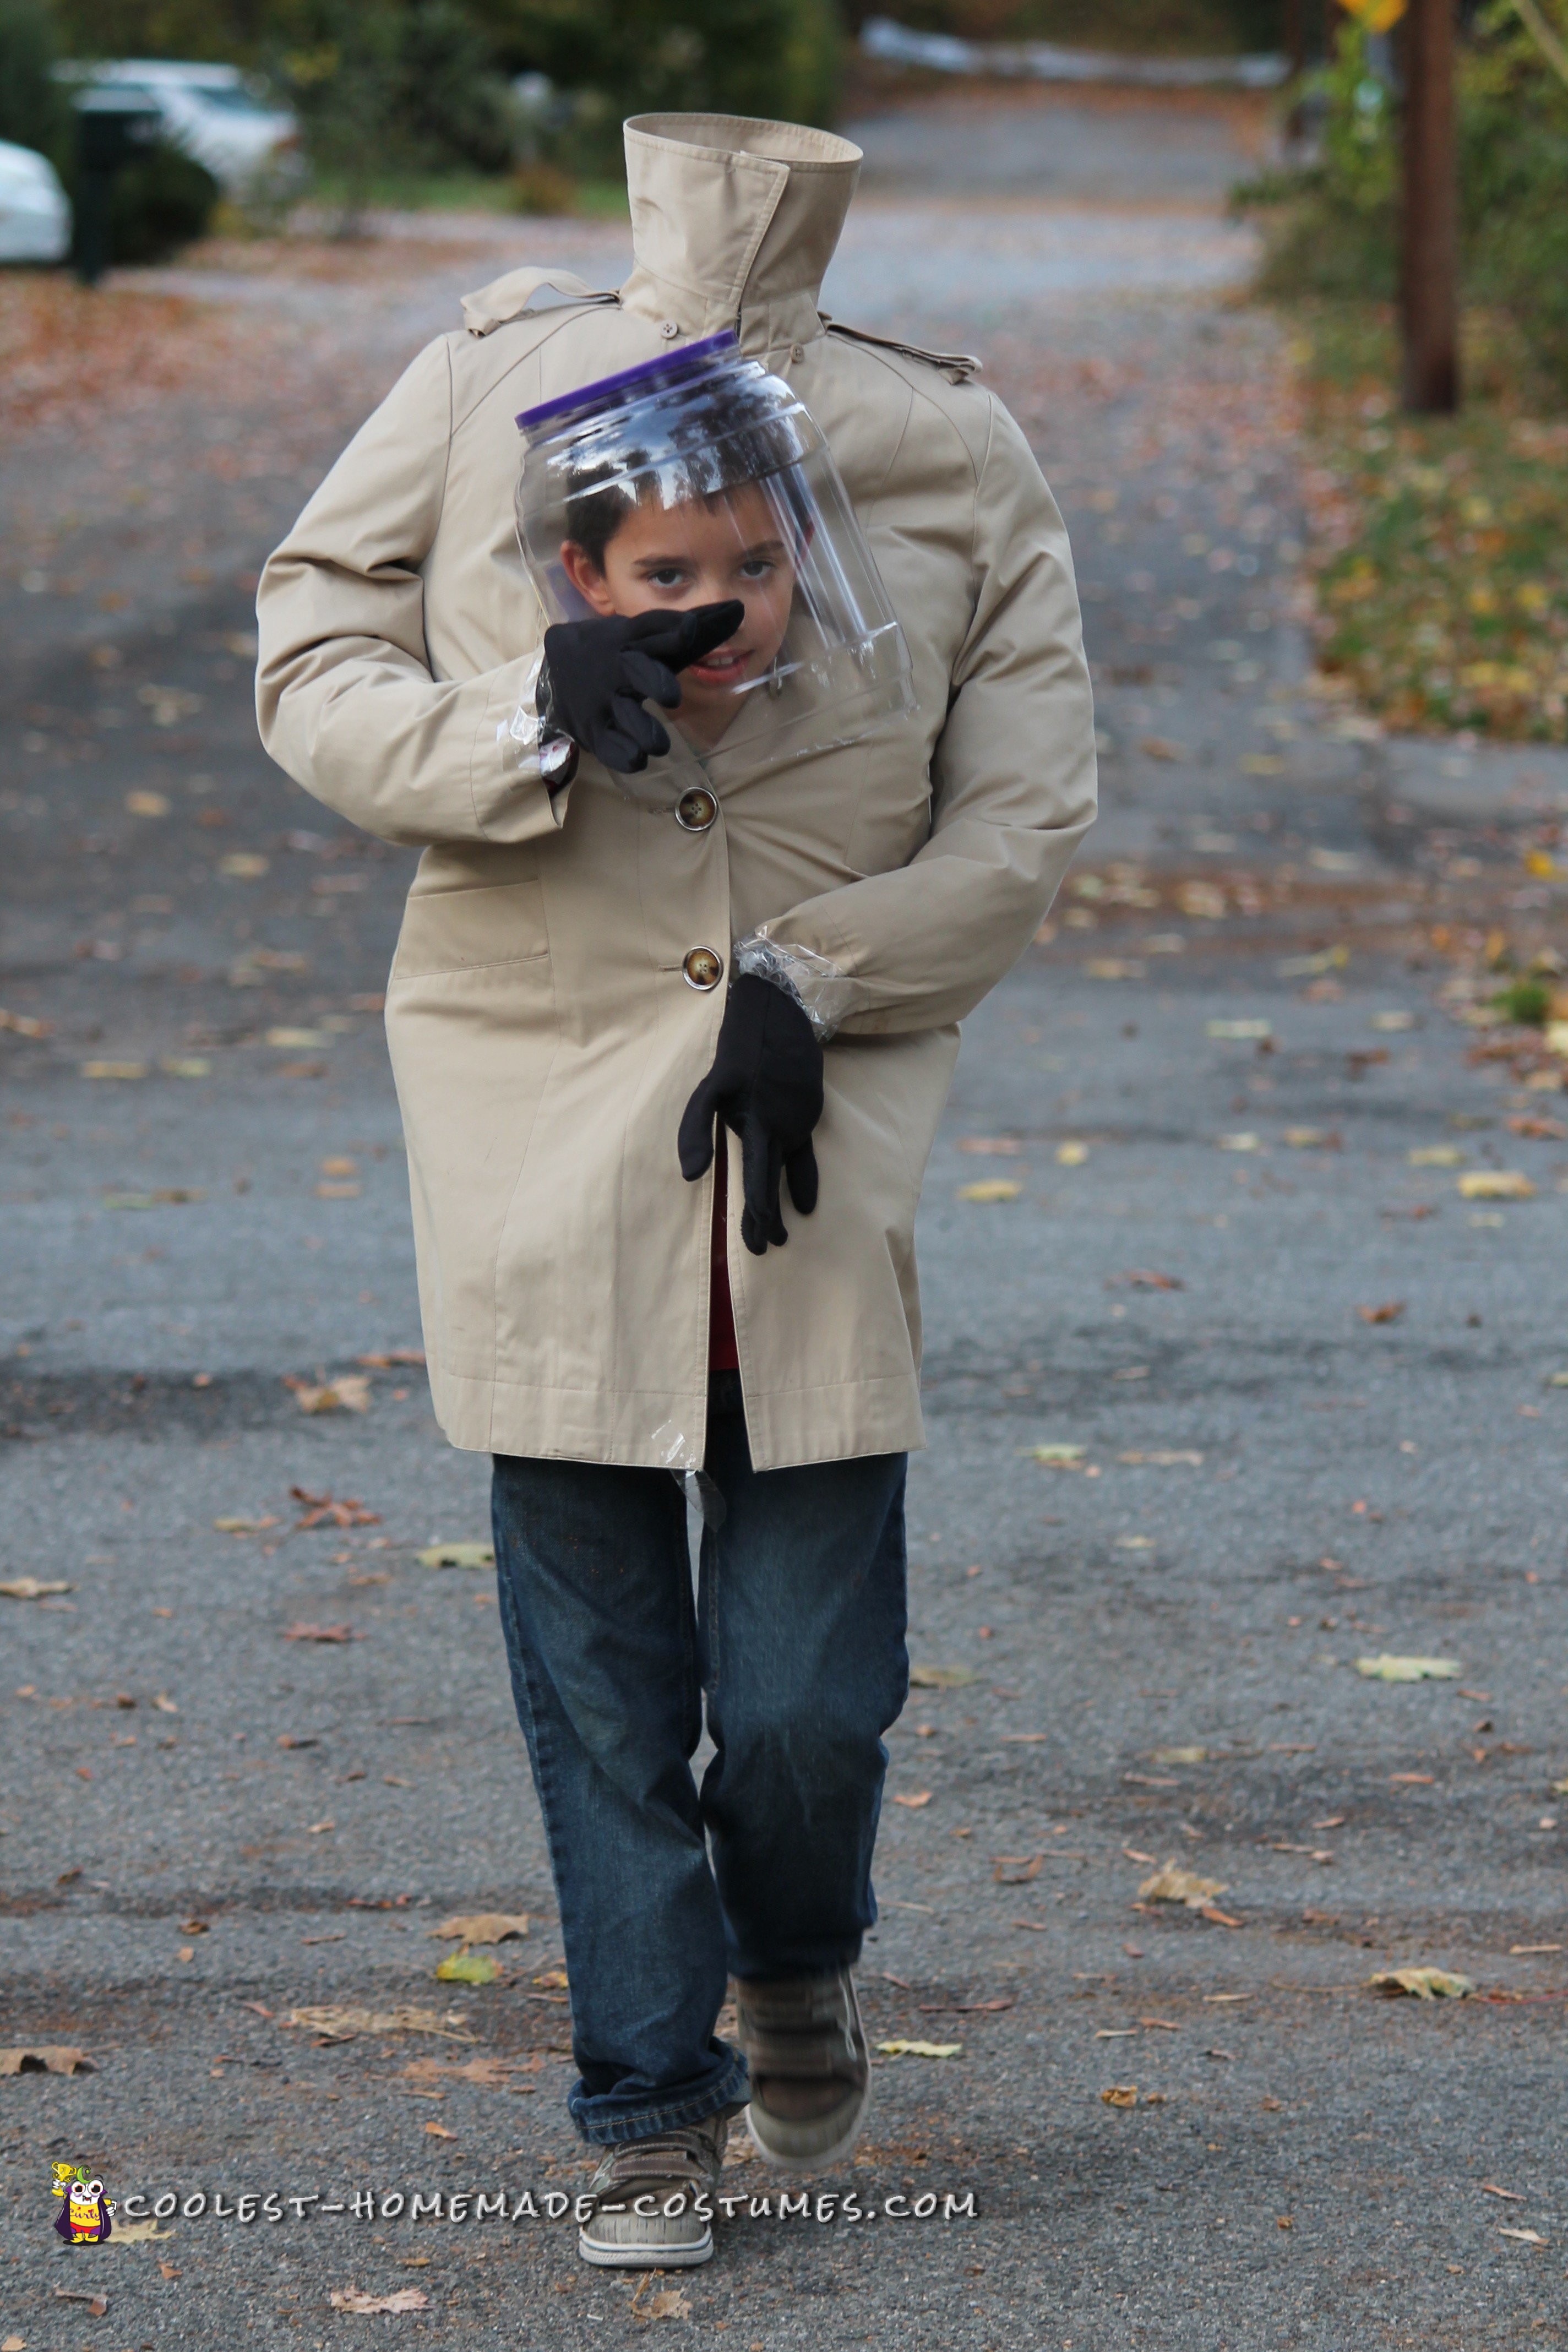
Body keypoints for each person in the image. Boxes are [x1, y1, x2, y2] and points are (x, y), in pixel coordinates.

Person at [255, 111, 1096, 2272]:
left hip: (813, 1128)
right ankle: (649, 2103)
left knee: (808, 1707)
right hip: (535, 1114)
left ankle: (795, 1954)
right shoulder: (477, 391)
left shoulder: (947, 443)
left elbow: (1023, 818)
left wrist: (822, 979)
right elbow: (309, 649)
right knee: (603, 1679)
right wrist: (516, 724)